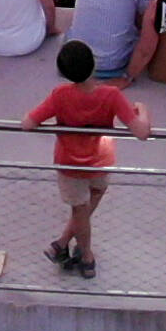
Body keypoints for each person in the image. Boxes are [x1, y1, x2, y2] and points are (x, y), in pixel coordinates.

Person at [26, 37, 152, 277]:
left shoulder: (60, 95)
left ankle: (69, 248)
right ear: (93, 64)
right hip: (100, 161)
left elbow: (28, 123)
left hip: (69, 165)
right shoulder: (111, 95)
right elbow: (142, 132)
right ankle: (81, 254)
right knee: (89, 202)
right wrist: (143, 111)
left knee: (79, 210)